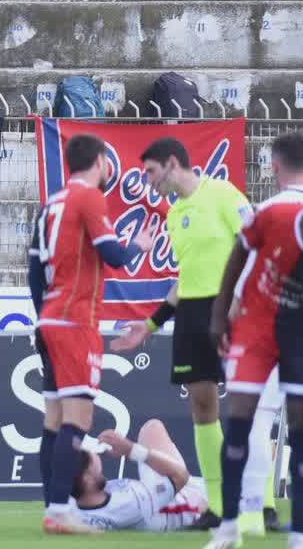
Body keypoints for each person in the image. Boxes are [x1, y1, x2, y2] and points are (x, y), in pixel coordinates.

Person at [202, 135, 303, 549]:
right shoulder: (274, 215)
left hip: (300, 334)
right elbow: (237, 257)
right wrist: (220, 318)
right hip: (255, 328)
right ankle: (230, 526)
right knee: (241, 422)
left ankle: (300, 534)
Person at [111, 136, 255, 532]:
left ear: (172, 163)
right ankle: (220, 504)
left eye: (152, 173)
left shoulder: (224, 194)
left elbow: (257, 247)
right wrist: (151, 323)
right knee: (203, 408)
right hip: (193, 314)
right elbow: (185, 278)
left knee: (252, 408)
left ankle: (263, 505)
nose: (149, 181)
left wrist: (241, 299)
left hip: (232, 307)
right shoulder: (175, 215)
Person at [32, 132, 156, 536]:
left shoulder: (51, 203)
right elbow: (114, 256)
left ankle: (53, 506)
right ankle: (60, 509)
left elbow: (35, 271)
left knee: (53, 421)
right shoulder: (89, 197)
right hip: (73, 322)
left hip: (49, 318)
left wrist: (44, 317)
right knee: (77, 419)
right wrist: (137, 244)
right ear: (102, 160)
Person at [73, 421, 213, 533]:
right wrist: (130, 449)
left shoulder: (72, 506)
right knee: (153, 428)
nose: (91, 453)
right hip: (197, 501)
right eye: (86, 455)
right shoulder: (129, 504)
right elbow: (180, 475)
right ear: (87, 478)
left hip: (168, 492)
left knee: (151, 429)